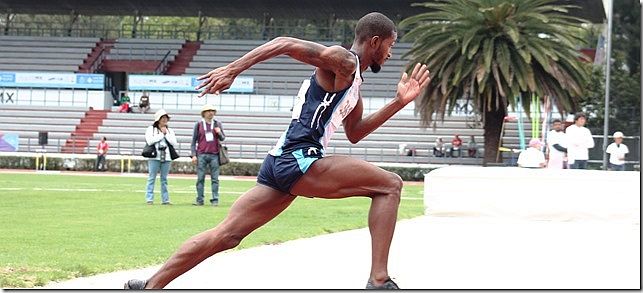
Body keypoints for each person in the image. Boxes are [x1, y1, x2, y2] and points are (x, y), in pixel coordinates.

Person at [124, 12, 429, 290]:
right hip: (299, 158)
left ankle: (150, 286)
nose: (390, 54)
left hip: (281, 161)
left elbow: (355, 133)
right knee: (390, 185)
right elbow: (285, 43)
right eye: (390, 46)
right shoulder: (344, 61)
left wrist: (398, 103)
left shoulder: (354, 82)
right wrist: (233, 69)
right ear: (375, 42)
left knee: (227, 235)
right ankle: (379, 280)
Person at [191, 104, 226, 206]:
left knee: (215, 179)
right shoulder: (198, 124)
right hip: (201, 154)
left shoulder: (217, 124)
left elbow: (223, 138)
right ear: (204, 113)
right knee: (200, 178)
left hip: (214, 155)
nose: (211, 113)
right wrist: (193, 155)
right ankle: (199, 199)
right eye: (208, 111)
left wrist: (219, 133)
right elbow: (193, 141)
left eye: (212, 111)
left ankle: (215, 199)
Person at [144, 109, 178, 205]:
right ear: (158, 119)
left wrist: (166, 134)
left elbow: (174, 143)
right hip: (154, 157)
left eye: (165, 118)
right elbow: (150, 141)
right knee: (152, 178)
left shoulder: (170, 130)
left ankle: (165, 199)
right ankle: (149, 198)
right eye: (162, 118)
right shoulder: (151, 129)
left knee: (164, 179)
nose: (164, 120)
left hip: (166, 157)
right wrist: (161, 134)